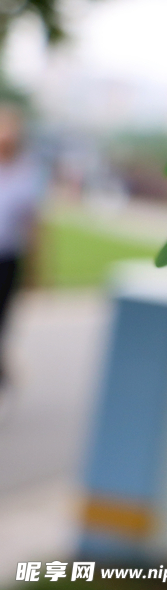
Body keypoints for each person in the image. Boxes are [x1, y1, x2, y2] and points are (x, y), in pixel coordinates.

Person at [0, 103, 44, 395]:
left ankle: (4, 377)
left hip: (8, 259)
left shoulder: (28, 171)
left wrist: (36, 268)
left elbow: (34, 224)